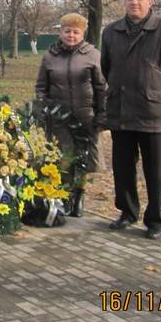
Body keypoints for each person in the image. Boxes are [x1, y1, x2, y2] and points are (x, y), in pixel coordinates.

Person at [101, 0, 161, 239]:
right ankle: (127, 212)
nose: (134, 3)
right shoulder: (111, 31)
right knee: (123, 168)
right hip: (121, 111)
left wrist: (157, 92)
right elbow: (107, 67)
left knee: (155, 170)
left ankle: (155, 220)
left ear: (150, 2)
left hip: (153, 114)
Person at [35, 12, 107, 217]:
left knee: (84, 159)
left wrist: (102, 114)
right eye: (67, 31)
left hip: (86, 116)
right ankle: (65, 196)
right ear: (61, 32)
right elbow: (41, 87)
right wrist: (43, 110)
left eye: (76, 32)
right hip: (59, 118)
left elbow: (102, 87)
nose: (71, 36)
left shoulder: (92, 55)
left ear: (82, 34)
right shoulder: (50, 56)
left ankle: (79, 196)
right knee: (63, 158)